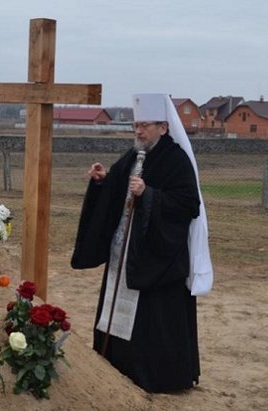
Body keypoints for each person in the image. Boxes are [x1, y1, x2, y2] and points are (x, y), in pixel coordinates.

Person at [71, 93, 214, 393]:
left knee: (153, 321)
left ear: (163, 127)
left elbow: (189, 204)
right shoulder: (134, 156)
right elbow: (116, 190)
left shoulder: (176, 160)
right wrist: (102, 180)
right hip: (124, 252)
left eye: (145, 126)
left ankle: (154, 375)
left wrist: (149, 194)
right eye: (136, 125)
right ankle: (115, 366)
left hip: (157, 259)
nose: (138, 131)